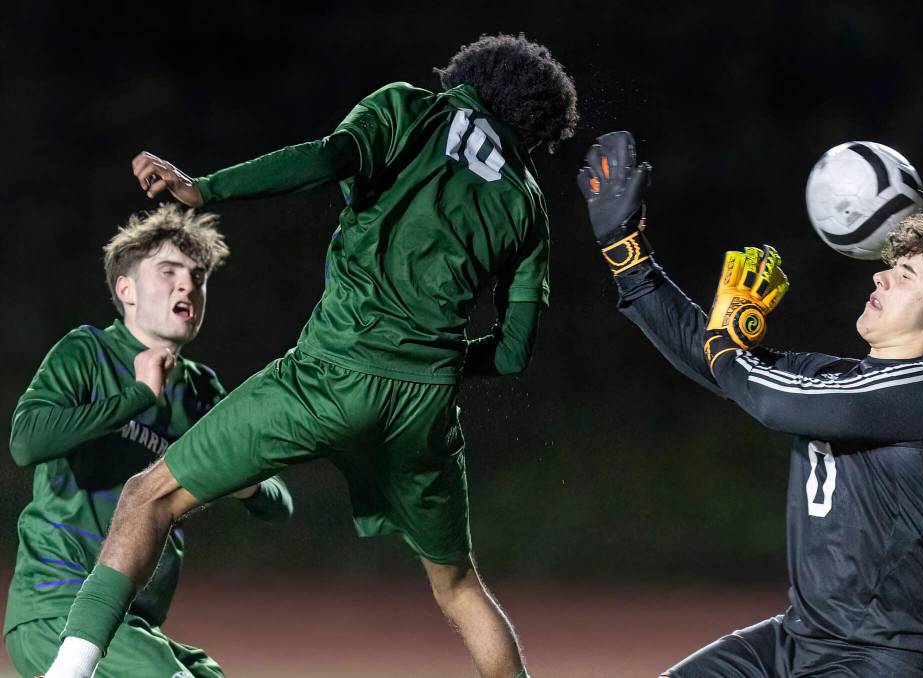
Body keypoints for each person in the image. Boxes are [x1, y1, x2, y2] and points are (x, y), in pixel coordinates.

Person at [43, 33, 578, 678]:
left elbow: (325, 160)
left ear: (471, 75)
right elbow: (515, 353)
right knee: (460, 588)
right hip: (423, 404)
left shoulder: (410, 108)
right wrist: (433, 360)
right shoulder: (526, 200)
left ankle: (63, 676)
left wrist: (206, 189)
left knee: (145, 498)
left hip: (329, 376)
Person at [577, 132, 923, 677]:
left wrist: (727, 346)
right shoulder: (839, 378)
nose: (880, 274)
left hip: (882, 660)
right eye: (890, 265)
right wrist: (628, 257)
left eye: (904, 275)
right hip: (796, 639)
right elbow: (716, 361)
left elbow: (768, 398)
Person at [7, 204, 293, 677]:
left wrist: (237, 475)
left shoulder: (201, 390)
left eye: (198, 277)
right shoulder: (88, 351)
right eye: (168, 271)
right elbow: (27, 443)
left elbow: (277, 503)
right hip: (56, 608)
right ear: (126, 290)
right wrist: (137, 396)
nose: (187, 285)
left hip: (132, 625)